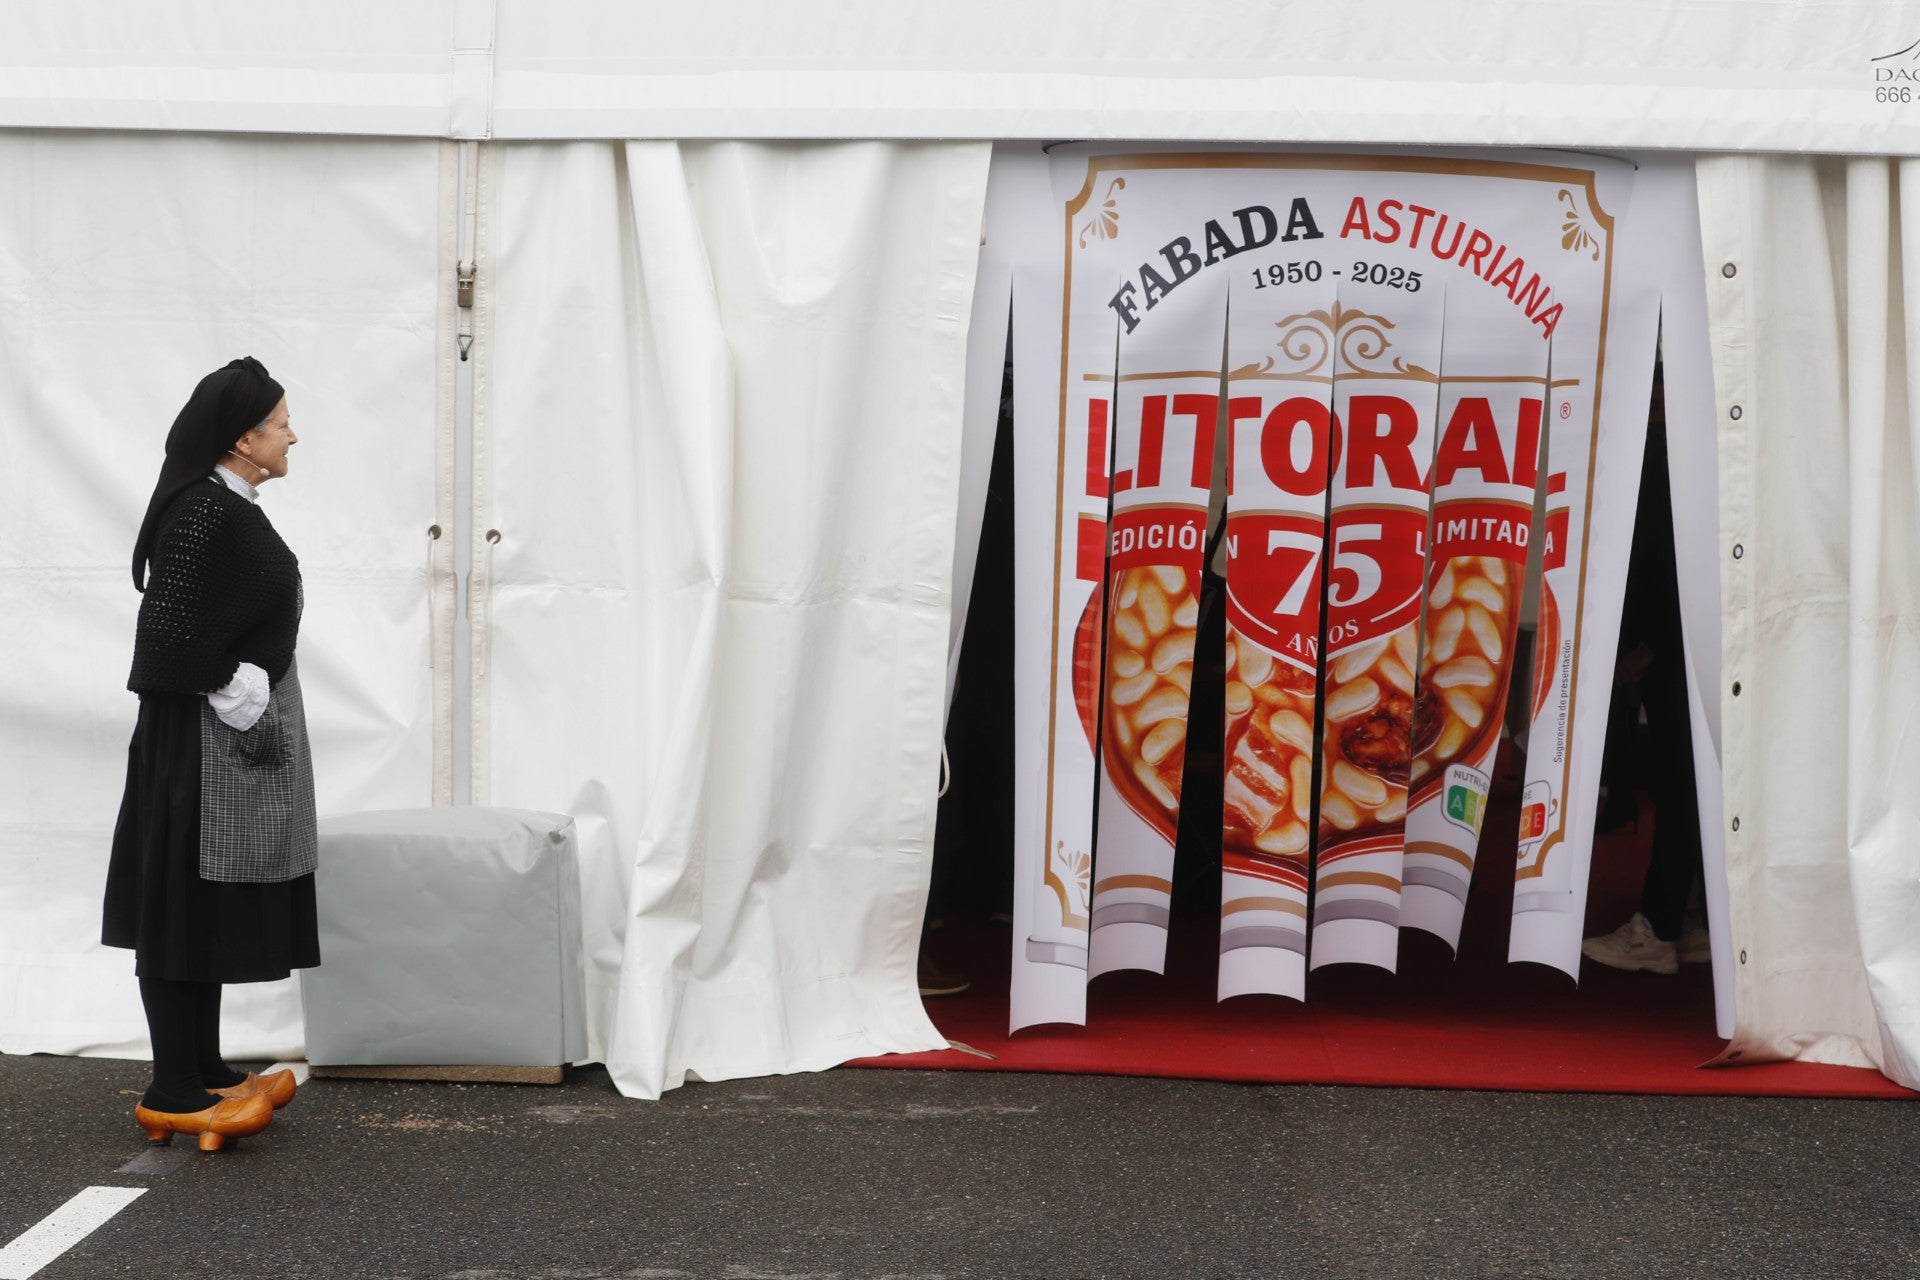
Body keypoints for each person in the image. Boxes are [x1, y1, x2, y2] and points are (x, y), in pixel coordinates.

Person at [102, 357, 317, 1150]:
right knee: (179, 899)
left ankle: (206, 1068)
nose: (294, 432)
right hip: (195, 742)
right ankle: (174, 1087)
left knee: (206, 896)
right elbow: (165, 635)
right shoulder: (202, 513)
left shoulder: (229, 506)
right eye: (282, 420)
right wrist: (240, 689)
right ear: (243, 438)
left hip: (217, 739)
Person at [1581, 365, 1708, 975]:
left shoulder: (1662, 458)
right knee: (1698, 784)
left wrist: (1644, 648)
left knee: (1683, 785)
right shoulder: (1688, 453)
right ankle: (1695, 921)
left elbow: (1672, 567)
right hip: (1683, 645)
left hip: (1673, 648)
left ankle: (1658, 928)